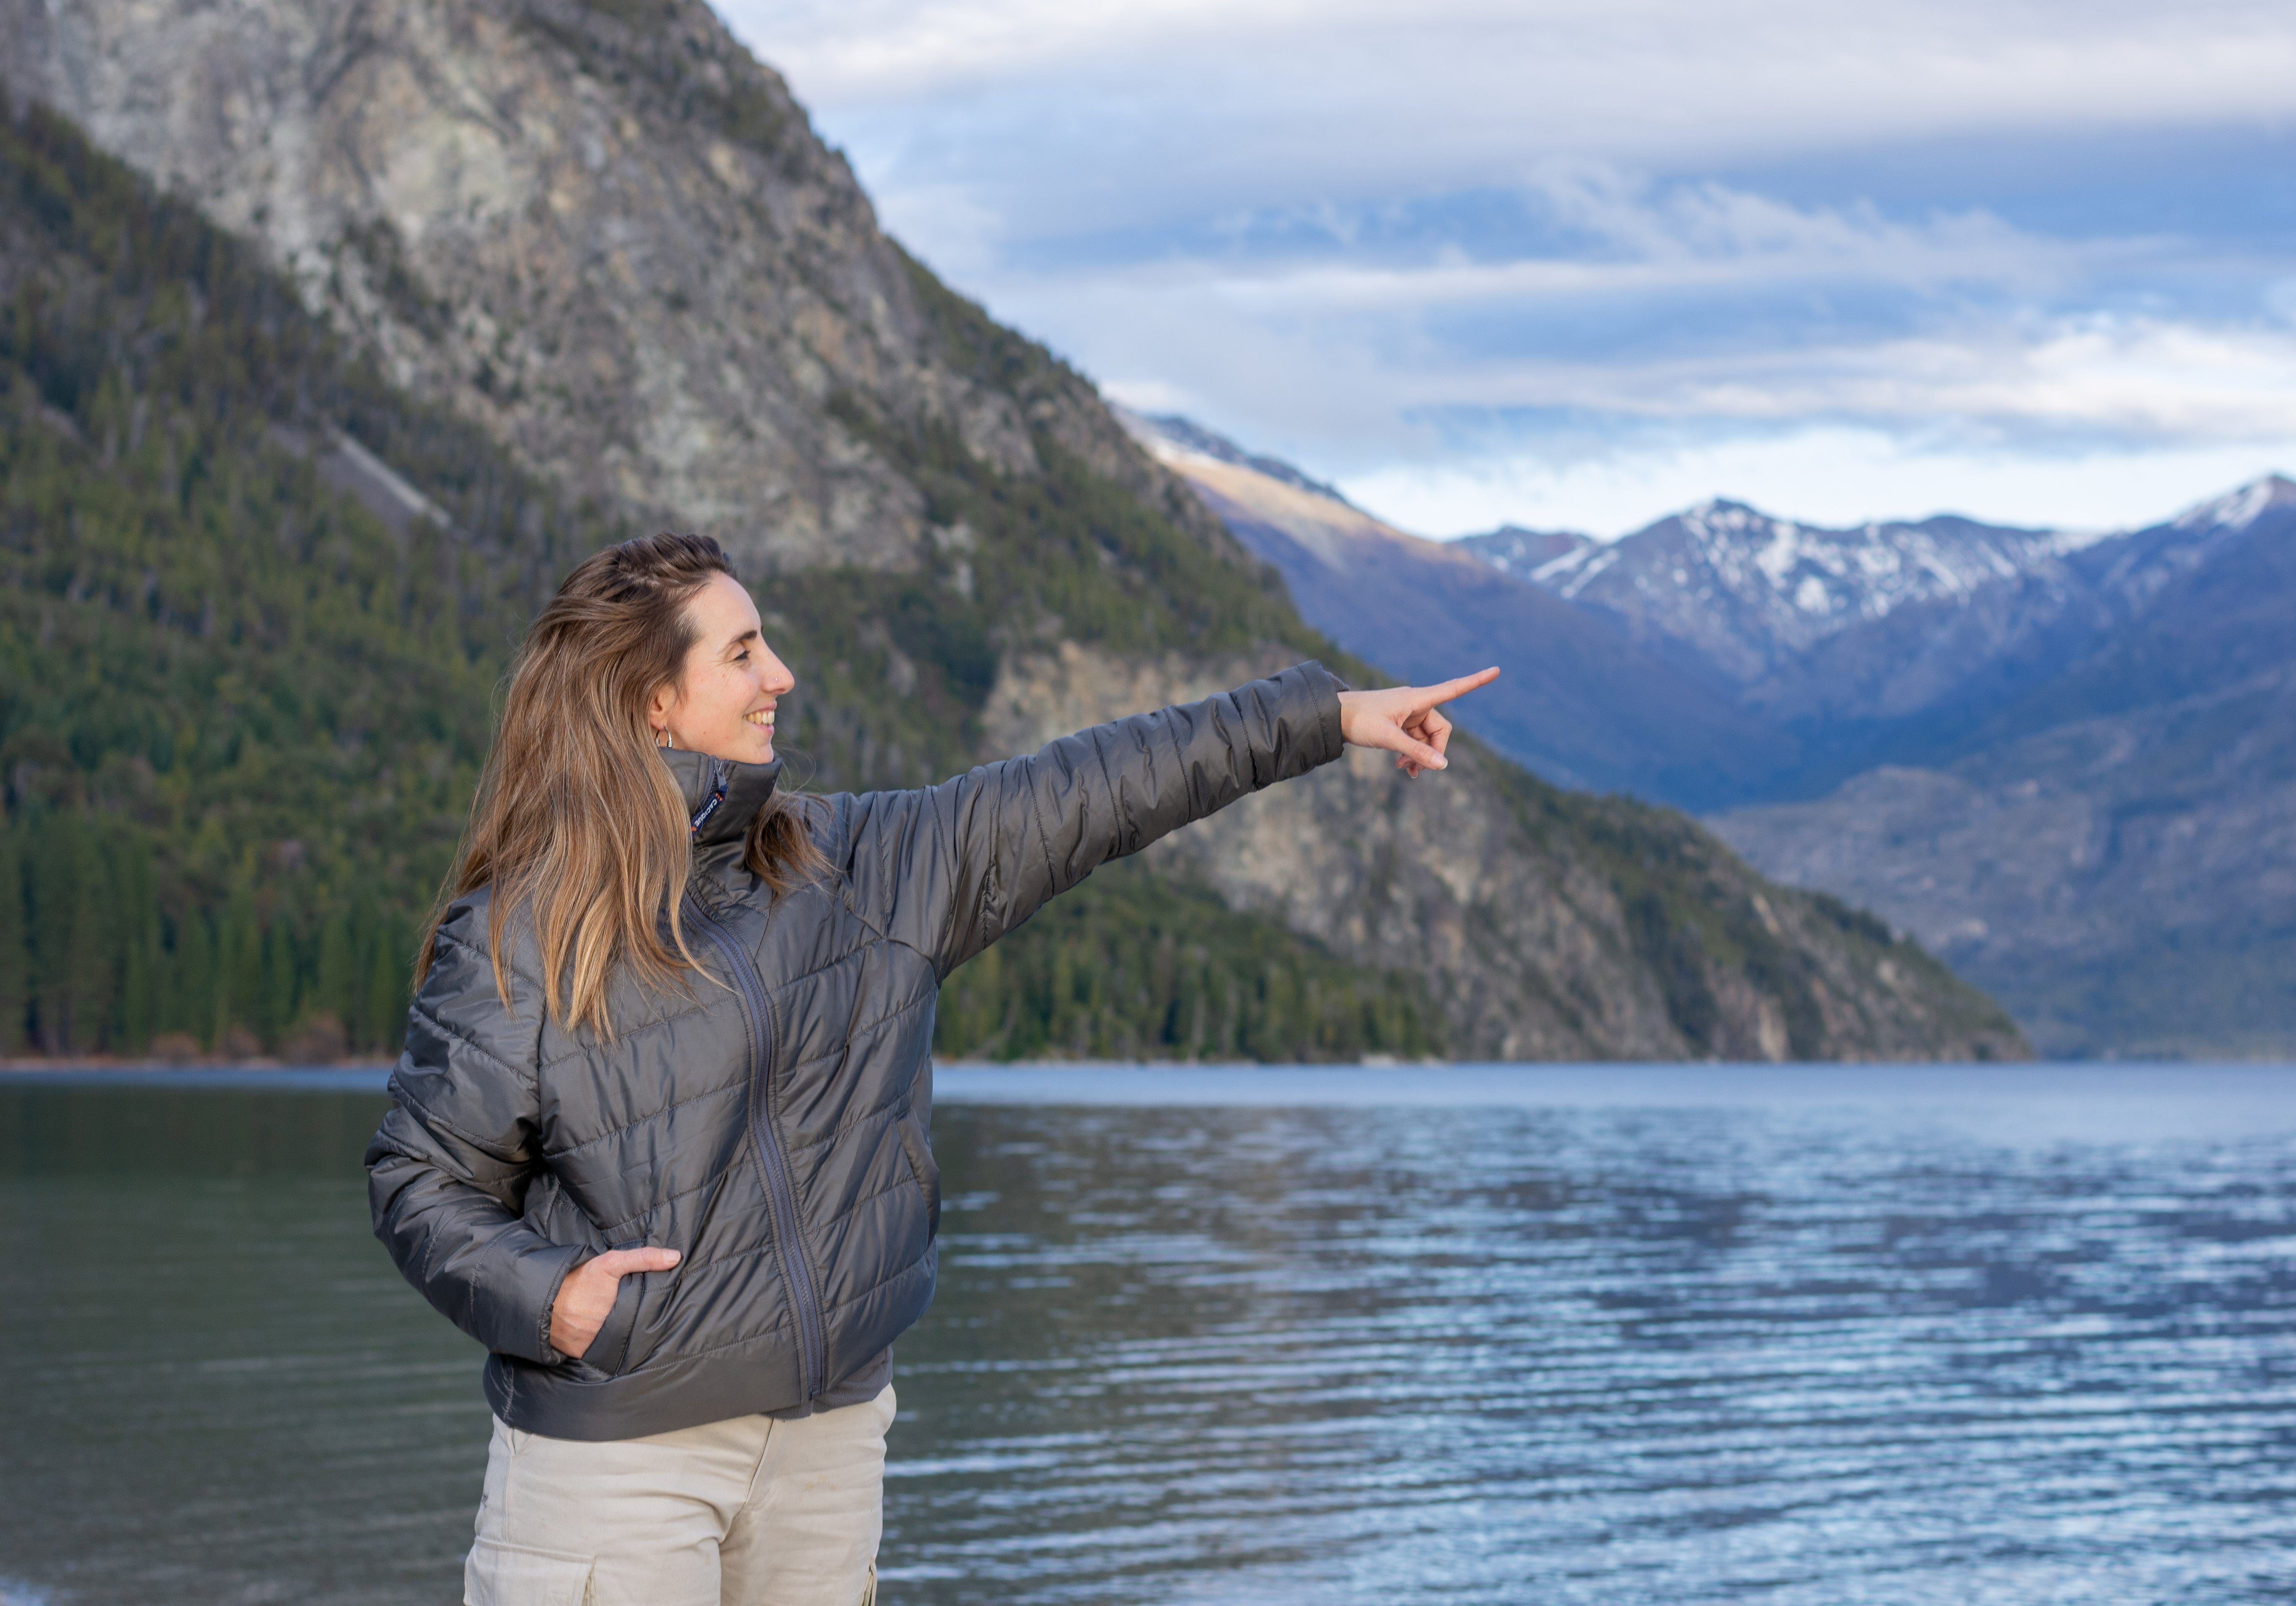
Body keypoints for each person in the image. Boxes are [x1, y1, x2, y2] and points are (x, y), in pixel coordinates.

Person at [365, 532, 1498, 1606]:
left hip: (828, 1444)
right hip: (618, 1461)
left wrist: (1330, 716)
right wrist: (552, 1300)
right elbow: (422, 1181)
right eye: (745, 650)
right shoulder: (524, 925)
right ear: (653, 701)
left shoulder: (864, 866)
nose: (785, 675)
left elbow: (1097, 786)